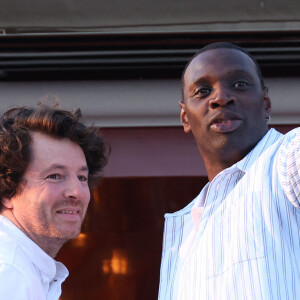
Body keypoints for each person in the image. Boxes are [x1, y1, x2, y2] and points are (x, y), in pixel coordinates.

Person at [158, 42, 300, 300]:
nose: (221, 98)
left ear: (266, 103)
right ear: (185, 117)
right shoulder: (184, 231)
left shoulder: (288, 160)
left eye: (240, 85)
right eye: (202, 91)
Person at [0, 105, 108, 299]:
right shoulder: (9, 272)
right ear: (7, 191)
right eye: (55, 176)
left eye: (82, 177)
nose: (76, 192)